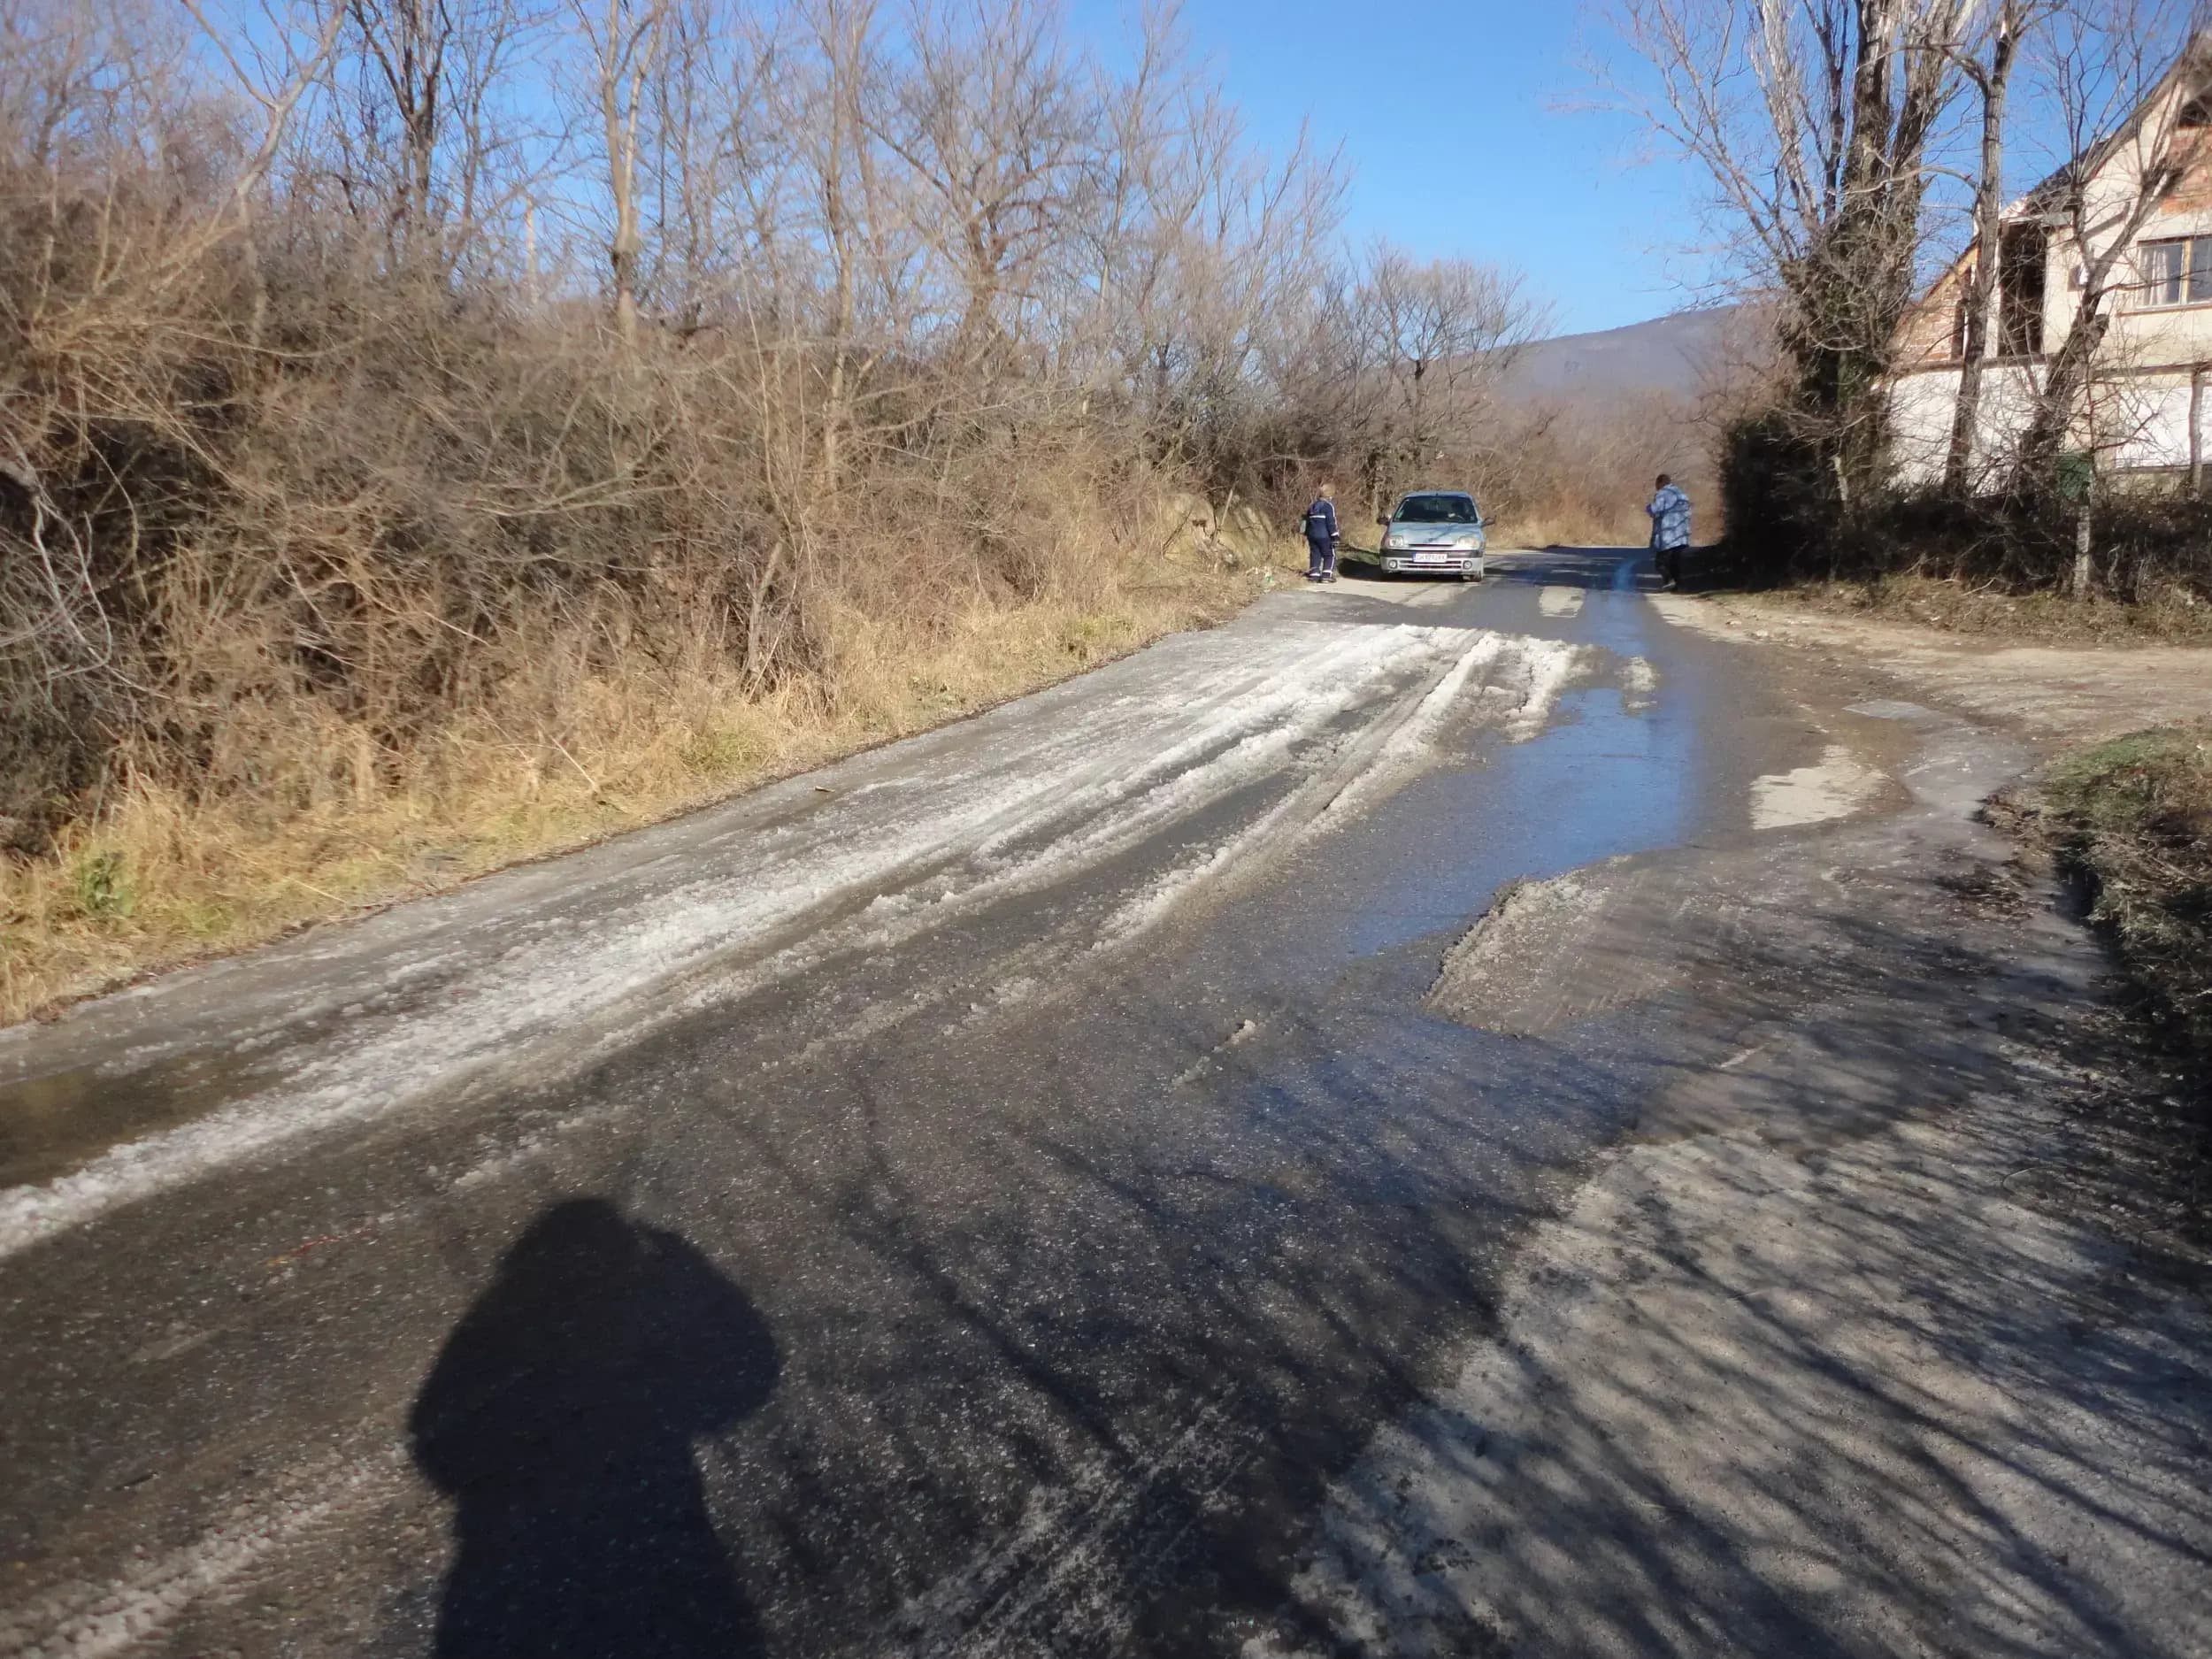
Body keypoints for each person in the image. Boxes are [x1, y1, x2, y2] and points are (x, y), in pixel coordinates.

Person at [1647, 473, 1692, 590]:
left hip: (1668, 535)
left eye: (1656, 484)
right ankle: (1678, 586)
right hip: (1682, 535)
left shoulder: (1663, 494)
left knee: (1661, 563)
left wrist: (1648, 508)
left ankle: (1669, 580)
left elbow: (1654, 509)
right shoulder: (1682, 495)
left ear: (1660, 483)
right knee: (1676, 562)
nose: (1656, 487)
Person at [1302, 483, 1340, 583]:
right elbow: (1331, 522)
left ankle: (1314, 575)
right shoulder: (1328, 507)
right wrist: (1335, 536)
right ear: (1330, 496)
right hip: (1324, 536)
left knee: (1315, 554)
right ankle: (1326, 575)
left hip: (1312, 535)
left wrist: (1305, 534)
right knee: (1329, 555)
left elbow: (1305, 521)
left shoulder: (1312, 506)